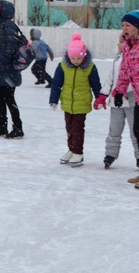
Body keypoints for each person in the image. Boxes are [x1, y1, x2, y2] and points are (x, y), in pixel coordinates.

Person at [49, 33, 101, 167]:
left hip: (82, 103)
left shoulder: (89, 67)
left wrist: (99, 99)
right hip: (67, 103)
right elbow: (56, 83)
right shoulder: (63, 66)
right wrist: (53, 100)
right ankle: (71, 149)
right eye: (73, 58)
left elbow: (96, 84)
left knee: (77, 128)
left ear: (84, 55)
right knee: (69, 128)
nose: (76, 61)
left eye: (79, 58)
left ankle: (78, 152)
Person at [96, 33, 139, 171]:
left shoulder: (133, 58)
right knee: (114, 131)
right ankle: (110, 154)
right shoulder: (117, 60)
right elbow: (111, 79)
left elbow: (133, 81)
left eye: (121, 43)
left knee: (135, 132)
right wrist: (103, 95)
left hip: (131, 101)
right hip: (116, 102)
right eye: (119, 43)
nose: (119, 45)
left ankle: (138, 156)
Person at [0, 0, 24, 138]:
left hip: (8, 70)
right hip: (0, 68)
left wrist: (3, 61)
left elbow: (12, 47)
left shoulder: (8, 26)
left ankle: (18, 127)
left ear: (2, 11)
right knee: (0, 98)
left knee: (9, 98)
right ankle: (2, 126)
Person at [111, 10, 139, 172]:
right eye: (123, 25)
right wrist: (120, 91)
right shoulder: (128, 47)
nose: (124, 28)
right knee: (137, 131)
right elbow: (124, 71)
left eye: (128, 25)